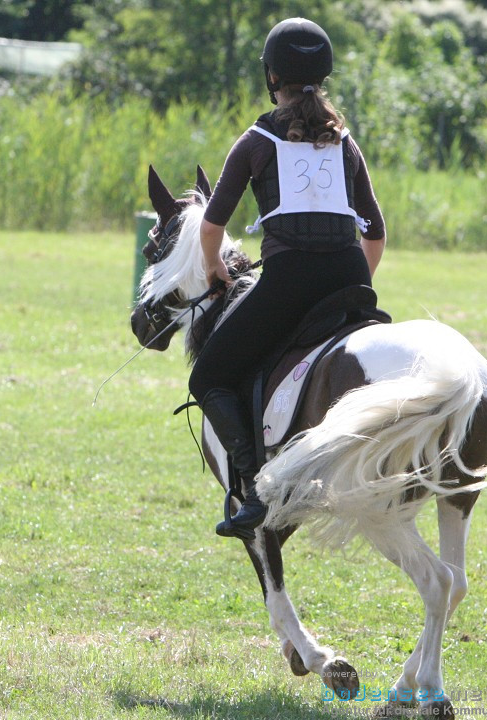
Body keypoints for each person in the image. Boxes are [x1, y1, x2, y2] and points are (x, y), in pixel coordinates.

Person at [189, 17, 387, 540]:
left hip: (288, 283)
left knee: (206, 377)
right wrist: (354, 287)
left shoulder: (256, 139)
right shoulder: (344, 142)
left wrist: (215, 271)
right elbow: (376, 234)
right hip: (348, 278)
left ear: (270, 76)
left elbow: (213, 226)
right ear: (321, 76)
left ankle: (256, 488)